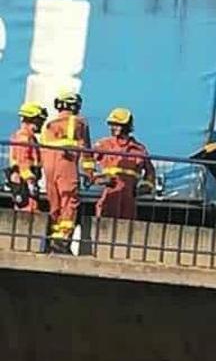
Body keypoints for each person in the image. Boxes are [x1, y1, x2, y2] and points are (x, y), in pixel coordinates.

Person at [40, 89, 92, 249]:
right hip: (66, 162)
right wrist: (89, 172)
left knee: (54, 202)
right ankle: (63, 238)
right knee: (69, 199)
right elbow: (85, 149)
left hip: (48, 167)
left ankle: (54, 236)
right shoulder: (79, 122)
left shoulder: (49, 124)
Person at [91, 108, 155, 219]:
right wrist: (97, 178)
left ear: (126, 126)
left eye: (116, 125)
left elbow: (150, 172)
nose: (112, 128)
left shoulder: (138, 149)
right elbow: (87, 162)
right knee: (105, 224)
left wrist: (146, 186)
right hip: (110, 194)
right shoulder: (104, 144)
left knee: (127, 226)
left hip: (129, 197)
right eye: (111, 124)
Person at [5, 102, 45, 211]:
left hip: (25, 180)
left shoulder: (29, 137)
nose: (42, 123)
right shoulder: (23, 137)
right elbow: (23, 161)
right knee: (29, 211)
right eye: (40, 120)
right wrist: (30, 181)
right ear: (33, 119)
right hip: (23, 181)